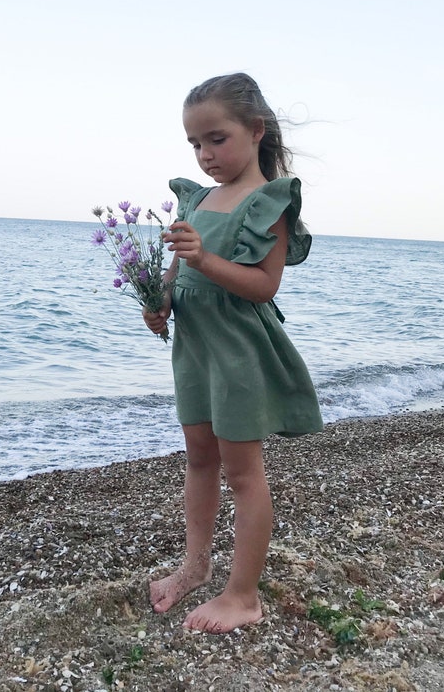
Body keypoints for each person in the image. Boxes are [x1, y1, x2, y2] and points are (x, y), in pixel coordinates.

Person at [143, 72, 323, 634]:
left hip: (239, 349)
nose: (205, 154)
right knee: (199, 460)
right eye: (195, 143)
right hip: (195, 348)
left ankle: (242, 594)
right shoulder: (195, 200)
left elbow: (263, 286)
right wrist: (159, 304)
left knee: (244, 473)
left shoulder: (267, 200)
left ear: (255, 129)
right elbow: (174, 275)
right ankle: (195, 567)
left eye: (217, 138)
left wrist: (202, 261)